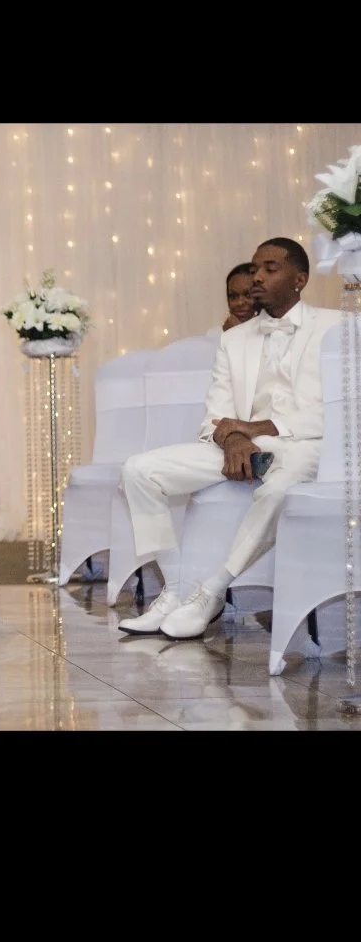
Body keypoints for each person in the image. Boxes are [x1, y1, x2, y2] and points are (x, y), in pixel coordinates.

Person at [120, 237, 336, 641]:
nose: (257, 277)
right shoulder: (234, 339)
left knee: (278, 492)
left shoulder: (335, 327)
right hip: (240, 445)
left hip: (304, 444)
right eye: (255, 268)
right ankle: (176, 588)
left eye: (270, 269)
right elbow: (214, 417)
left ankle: (212, 590)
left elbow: (333, 410)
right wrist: (234, 438)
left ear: (300, 279)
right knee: (138, 470)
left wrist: (256, 429)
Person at [222, 262, 259, 331]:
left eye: (248, 295)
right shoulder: (214, 335)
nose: (239, 303)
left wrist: (237, 332)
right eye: (233, 296)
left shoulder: (275, 332)